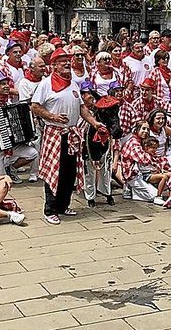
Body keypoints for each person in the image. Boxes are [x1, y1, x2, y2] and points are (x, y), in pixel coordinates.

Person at [30, 47, 105, 225]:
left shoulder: (73, 84)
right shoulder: (46, 84)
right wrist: (52, 116)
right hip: (55, 133)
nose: (66, 63)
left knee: (69, 172)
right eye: (62, 61)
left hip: (72, 134)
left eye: (67, 60)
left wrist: (94, 123)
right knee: (54, 172)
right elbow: (34, 106)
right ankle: (50, 210)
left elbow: (81, 108)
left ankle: (63, 206)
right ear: (54, 65)